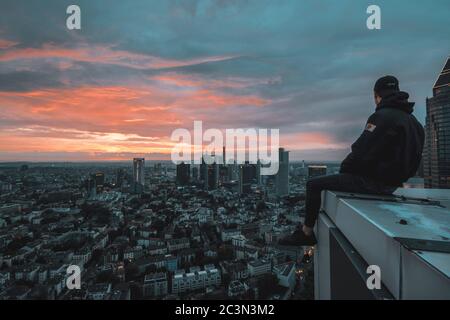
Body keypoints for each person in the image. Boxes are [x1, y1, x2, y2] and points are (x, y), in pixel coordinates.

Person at [279, 75, 425, 246]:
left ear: (377, 96)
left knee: (313, 185)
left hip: (373, 182)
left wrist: (345, 169)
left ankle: (306, 232)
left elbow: (361, 150)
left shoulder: (382, 116)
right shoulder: (415, 123)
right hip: (393, 185)